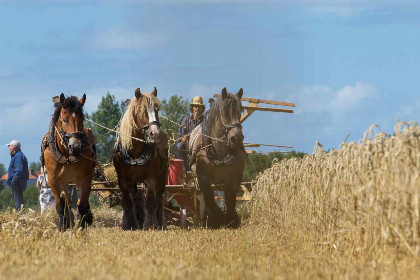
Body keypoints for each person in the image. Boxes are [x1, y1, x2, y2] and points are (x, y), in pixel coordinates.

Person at [176, 96, 206, 171]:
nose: (197, 109)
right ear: (192, 108)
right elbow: (179, 138)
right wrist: (183, 138)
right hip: (188, 147)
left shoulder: (205, 121)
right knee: (180, 146)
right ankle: (185, 169)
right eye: (196, 106)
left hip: (202, 147)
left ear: (202, 109)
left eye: (199, 107)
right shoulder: (186, 120)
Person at [6, 140, 29, 211]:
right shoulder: (17, 155)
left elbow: (19, 170)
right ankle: (21, 213)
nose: (9, 148)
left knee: (18, 201)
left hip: (17, 182)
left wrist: (13, 181)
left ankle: (20, 214)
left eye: (9, 146)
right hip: (18, 181)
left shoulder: (18, 156)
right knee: (19, 200)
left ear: (14, 147)